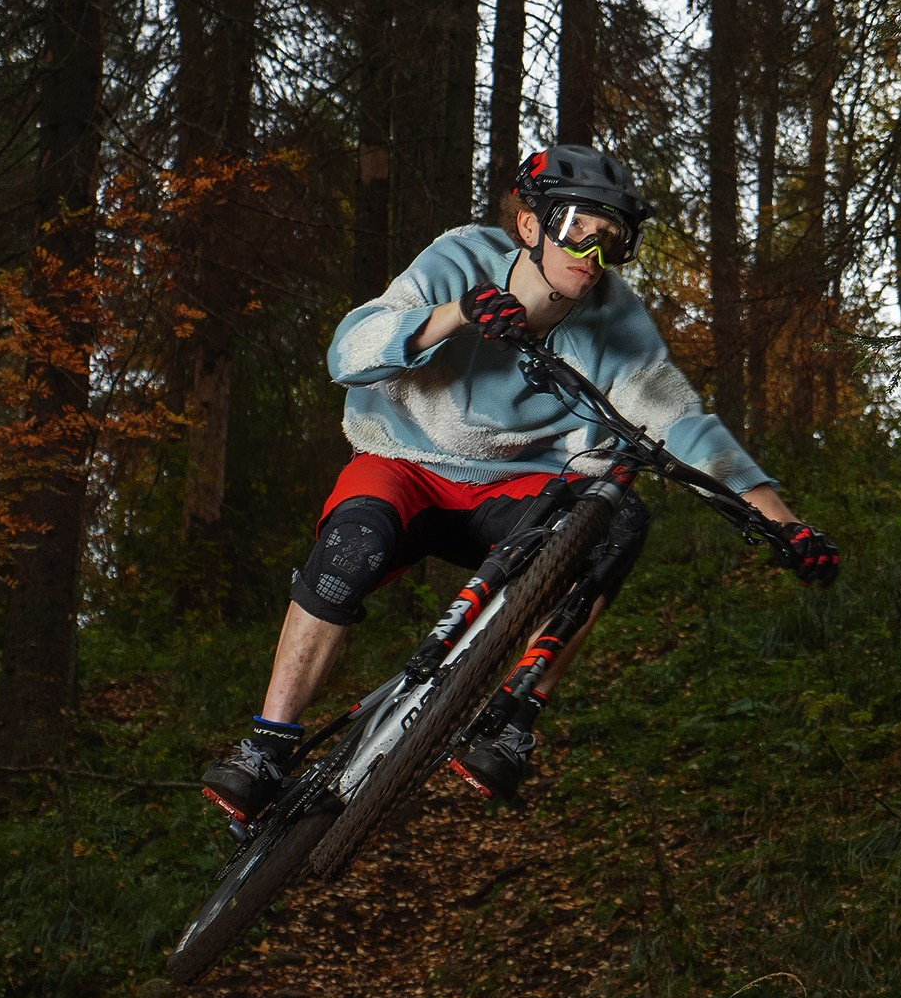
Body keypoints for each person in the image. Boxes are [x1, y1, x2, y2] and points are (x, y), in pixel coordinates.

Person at [200, 143, 840, 823]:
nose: (590, 258)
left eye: (611, 244)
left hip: (516, 493)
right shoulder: (460, 258)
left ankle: (510, 717)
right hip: (404, 465)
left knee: (616, 522)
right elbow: (348, 350)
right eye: (576, 232)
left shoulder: (616, 323)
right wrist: (460, 314)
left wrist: (782, 520)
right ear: (531, 225)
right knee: (349, 549)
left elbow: (683, 424)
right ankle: (266, 746)